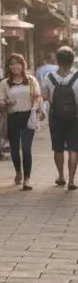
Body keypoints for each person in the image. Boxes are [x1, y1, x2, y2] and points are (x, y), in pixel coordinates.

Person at [0, 53, 42, 190]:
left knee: (26, 149)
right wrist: (6, 102)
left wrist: (36, 98)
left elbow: (39, 98)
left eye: (18, 63)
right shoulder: (4, 83)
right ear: (8, 67)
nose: (15, 66)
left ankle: (27, 179)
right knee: (15, 150)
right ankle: (18, 172)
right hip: (12, 118)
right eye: (12, 64)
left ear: (23, 65)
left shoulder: (31, 80)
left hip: (29, 117)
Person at [43, 45, 78, 190]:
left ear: (57, 60)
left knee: (58, 148)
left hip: (56, 117)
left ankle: (61, 176)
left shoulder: (49, 77)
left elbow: (46, 97)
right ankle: (71, 180)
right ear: (72, 60)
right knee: (74, 148)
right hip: (75, 117)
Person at [35, 49, 58, 117]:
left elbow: (37, 83)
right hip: (55, 96)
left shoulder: (39, 70)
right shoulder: (56, 68)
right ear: (52, 59)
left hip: (43, 97)